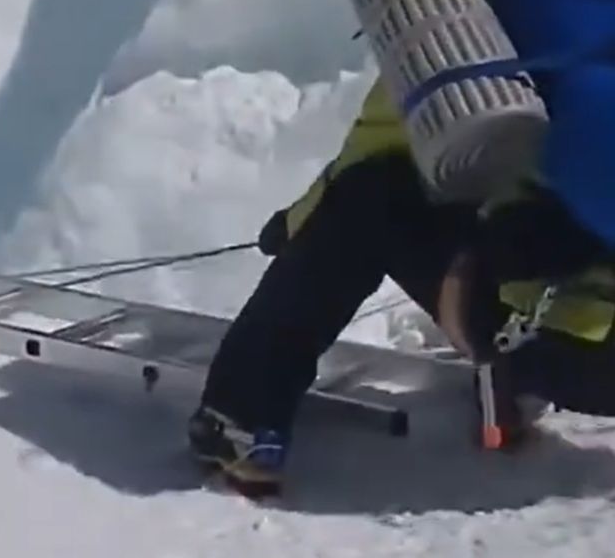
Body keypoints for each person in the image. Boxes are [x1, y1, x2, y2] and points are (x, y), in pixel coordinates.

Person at [187, 81, 615, 498]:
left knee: (372, 194)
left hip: (571, 349)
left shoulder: (479, 37)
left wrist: (294, 224)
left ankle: (240, 414)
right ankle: (511, 380)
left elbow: (376, 152)